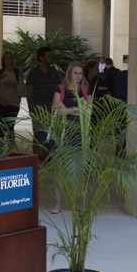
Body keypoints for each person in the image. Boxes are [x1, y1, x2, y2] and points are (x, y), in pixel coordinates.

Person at [51, 61, 92, 213]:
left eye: (80, 73)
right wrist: (75, 108)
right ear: (69, 73)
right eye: (75, 73)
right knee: (60, 169)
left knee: (78, 170)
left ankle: (75, 203)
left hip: (80, 134)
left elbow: (87, 112)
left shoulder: (85, 91)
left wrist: (66, 108)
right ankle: (57, 204)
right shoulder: (60, 89)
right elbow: (56, 110)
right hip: (63, 133)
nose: (78, 76)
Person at [26, 47, 62, 159]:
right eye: (48, 56)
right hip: (38, 110)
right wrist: (32, 110)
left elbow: (59, 91)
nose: (51, 58)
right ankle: (36, 158)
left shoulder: (54, 73)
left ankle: (48, 158)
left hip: (51, 110)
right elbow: (29, 93)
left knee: (50, 134)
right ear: (41, 58)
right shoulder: (33, 73)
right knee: (37, 134)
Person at [0, 51, 26, 140]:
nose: (8, 60)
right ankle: (0, 151)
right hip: (0, 103)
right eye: (6, 58)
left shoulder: (17, 72)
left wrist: (14, 85)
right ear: (3, 60)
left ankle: (10, 150)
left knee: (10, 127)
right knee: (0, 127)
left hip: (13, 104)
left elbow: (22, 89)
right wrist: (1, 99)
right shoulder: (0, 72)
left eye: (10, 58)